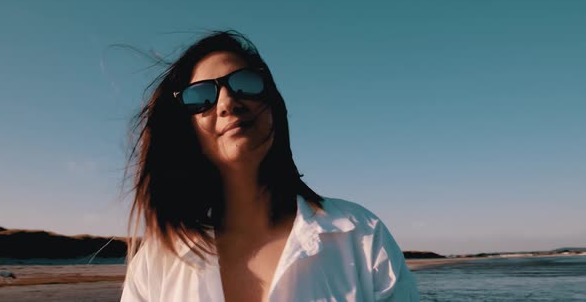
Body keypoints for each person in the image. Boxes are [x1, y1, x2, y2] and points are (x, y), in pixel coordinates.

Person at [120, 30, 419, 302]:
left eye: (244, 84)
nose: (227, 102)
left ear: (273, 106)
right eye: (201, 96)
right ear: (187, 129)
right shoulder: (156, 263)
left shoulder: (362, 235)